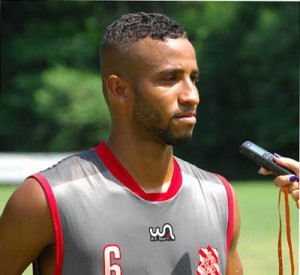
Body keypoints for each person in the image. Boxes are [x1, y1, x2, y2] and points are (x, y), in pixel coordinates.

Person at [0, 12, 243, 275]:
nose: (191, 96)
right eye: (169, 79)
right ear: (119, 90)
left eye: (193, 79)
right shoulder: (47, 199)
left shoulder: (219, 197)